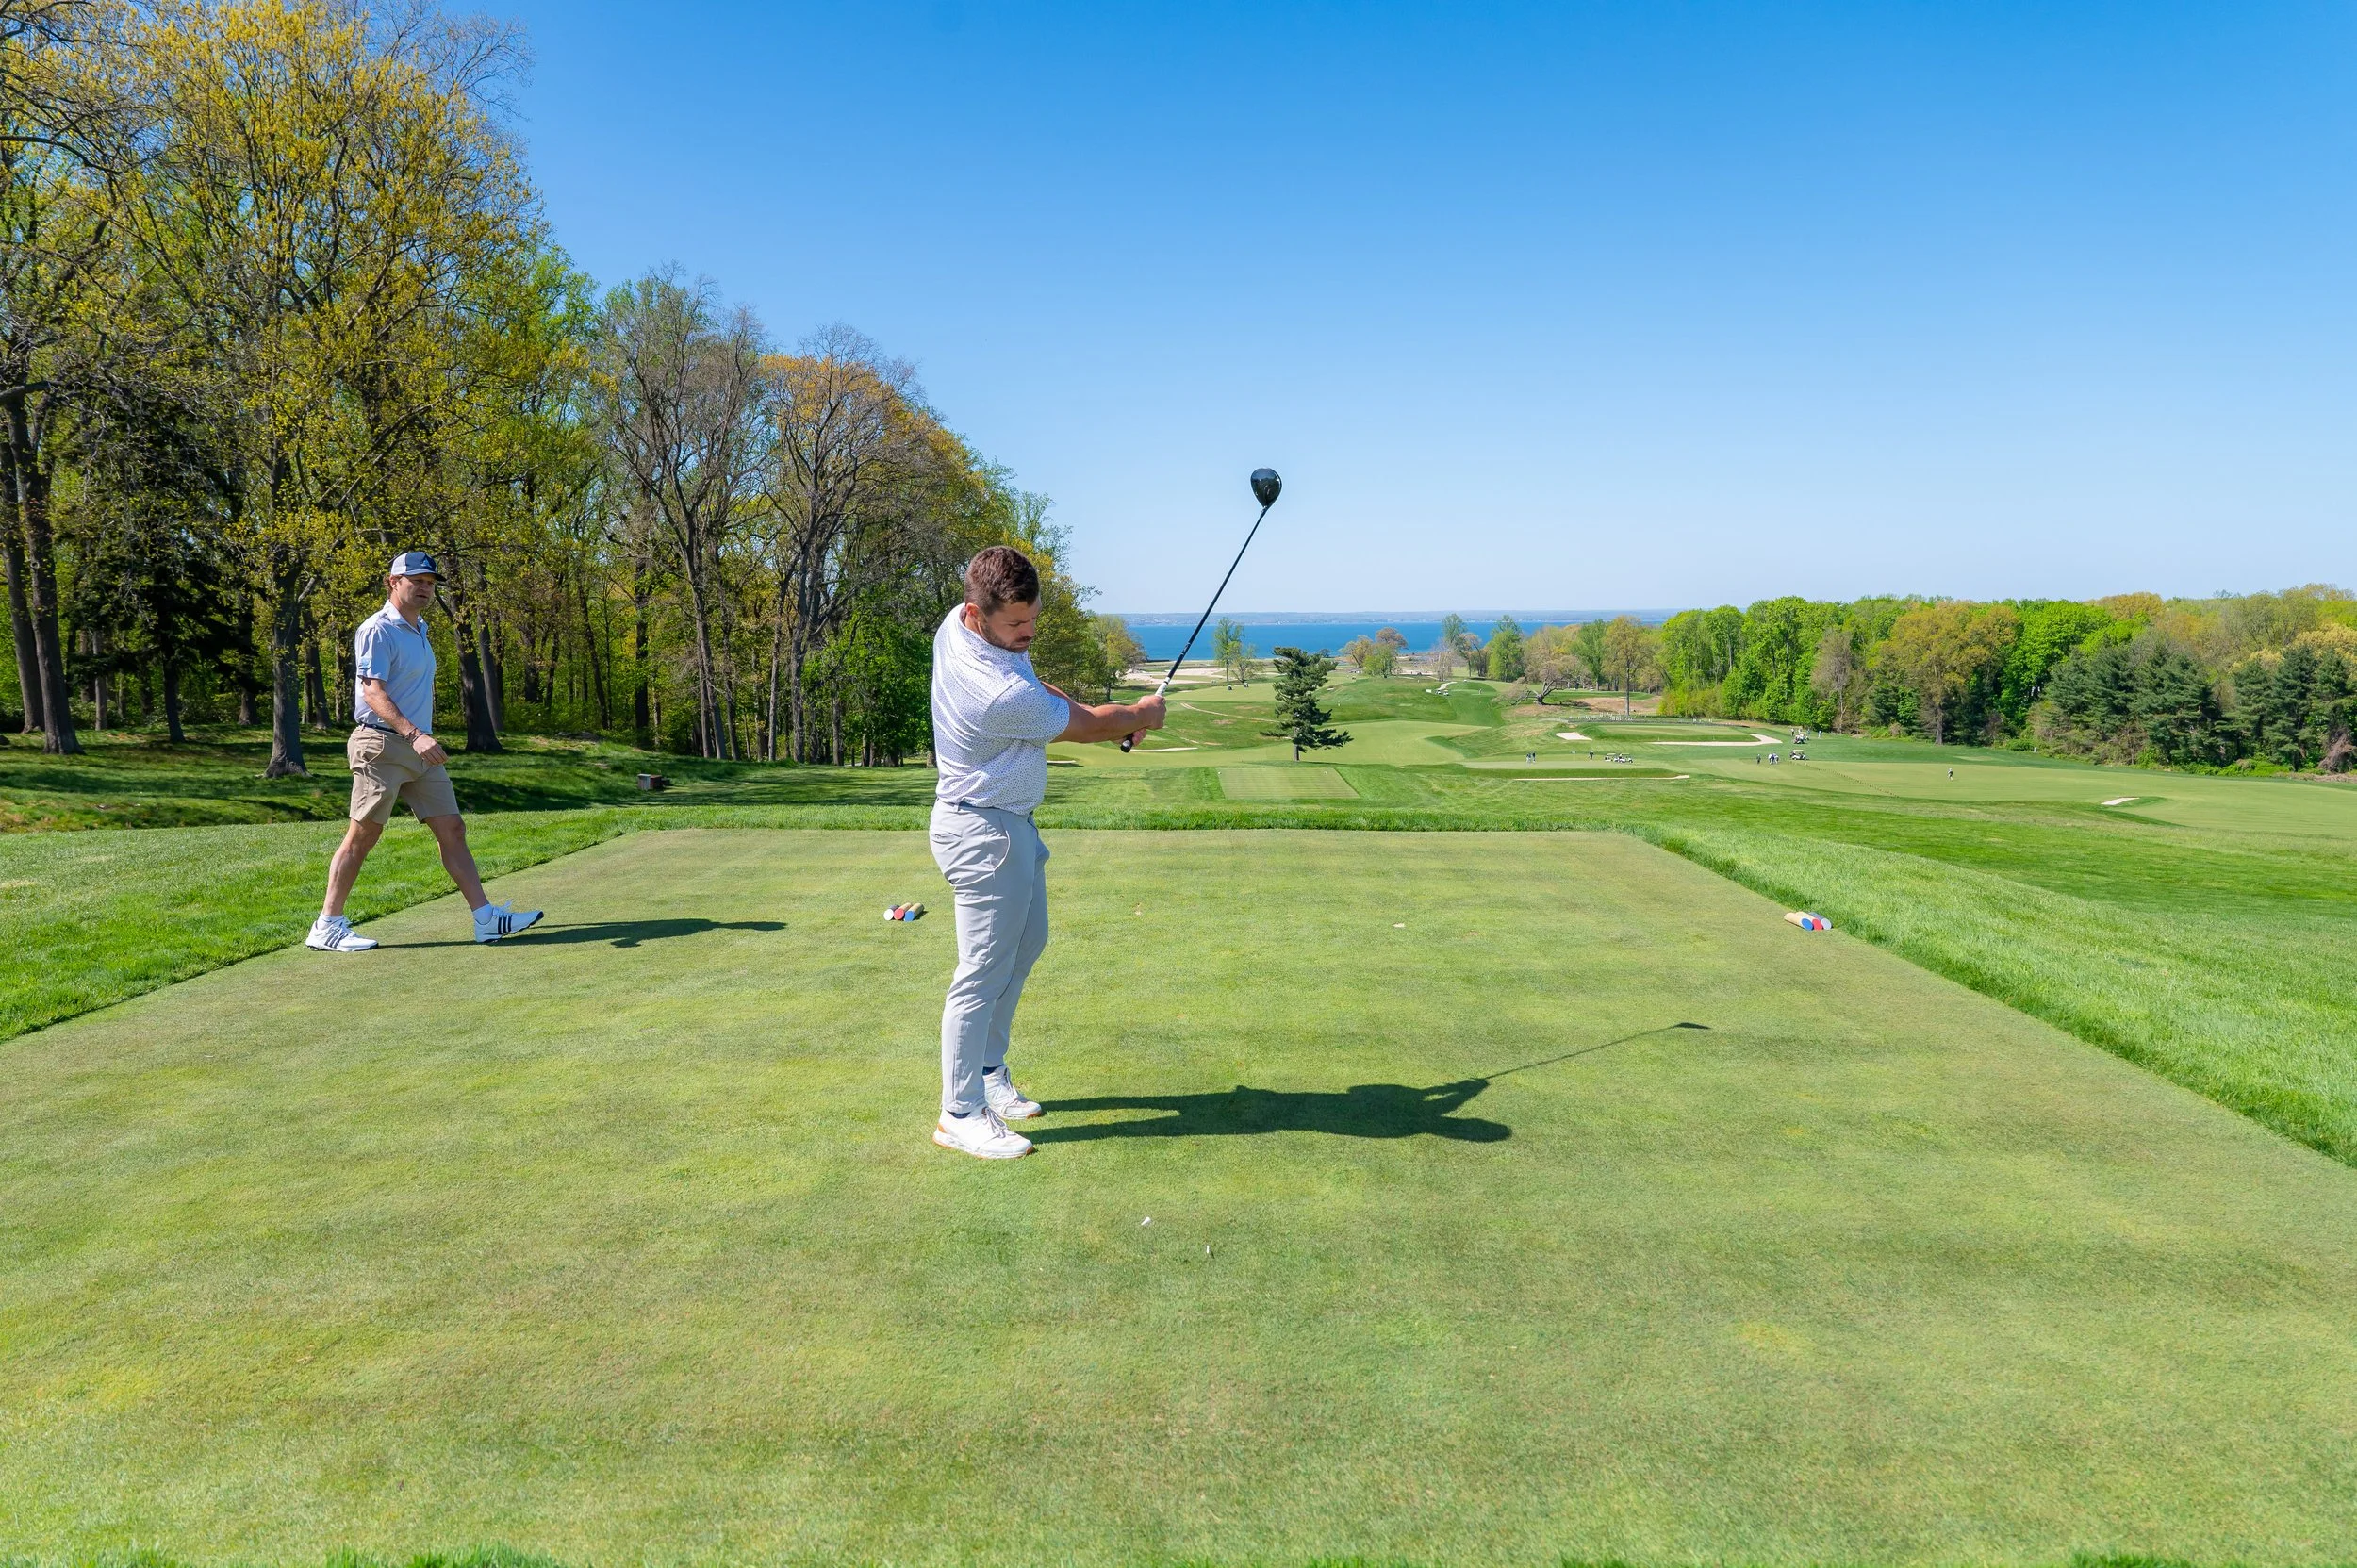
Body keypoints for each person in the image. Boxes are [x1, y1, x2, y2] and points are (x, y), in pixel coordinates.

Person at [926, 545, 1167, 1159]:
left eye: (1033, 619)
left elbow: (1040, 690)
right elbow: (1077, 724)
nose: (1028, 633)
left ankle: (988, 1072)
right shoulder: (993, 692)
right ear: (977, 614)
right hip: (983, 833)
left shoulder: (960, 626)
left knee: (1026, 944)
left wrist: (1118, 721)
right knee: (981, 972)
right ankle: (959, 1112)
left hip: (1010, 826)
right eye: (1016, 624)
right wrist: (1140, 714)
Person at [305, 552, 544, 954]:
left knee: (452, 829)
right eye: (415, 580)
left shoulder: (420, 629)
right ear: (392, 582)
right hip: (382, 744)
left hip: (418, 747)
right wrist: (415, 734)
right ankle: (327, 926)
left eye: (430, 583)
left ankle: (485, 919)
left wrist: (419, 738)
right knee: (363, 835)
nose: (424, 588)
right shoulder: (378, 629)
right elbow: (372, 691)